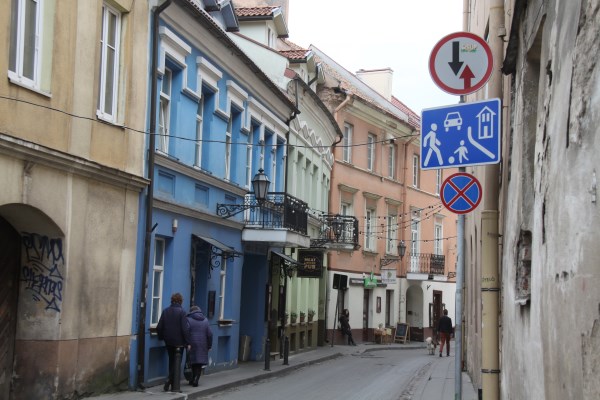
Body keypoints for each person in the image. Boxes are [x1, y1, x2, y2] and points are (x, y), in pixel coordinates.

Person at [156, 292, 191, 391]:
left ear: (172, 300)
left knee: (171, 361)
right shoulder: (182, 312)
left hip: (168, 341)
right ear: (180, 301)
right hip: (179, 342)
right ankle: (170, 381)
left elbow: (159, 327)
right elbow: (185, 329)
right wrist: (188, 342)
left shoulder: (165, 311)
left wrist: (161, 337)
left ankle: (171, 383)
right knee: (177, 363)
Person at [186, 305, 213, 387]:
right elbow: (210, 334)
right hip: (203, 344)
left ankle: (192, 379)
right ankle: (196, 379)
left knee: (193, 362)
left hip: (192, 343)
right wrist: (209, 345)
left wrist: (187, 343)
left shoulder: (188, 319)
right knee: (199, 363)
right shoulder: (205, 320)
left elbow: (186, 332)